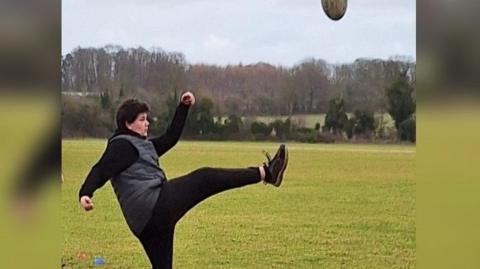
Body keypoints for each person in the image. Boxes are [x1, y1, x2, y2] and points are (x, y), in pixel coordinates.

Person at [78, 92, 288, 269]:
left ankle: (267, 174)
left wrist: (182, 107)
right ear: (128, 123)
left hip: (147, 225)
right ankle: (266, 173)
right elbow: (101, 169)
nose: (147, 123)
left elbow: (170, 138)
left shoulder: (141, 145)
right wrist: (85, 193)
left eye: (146, 118)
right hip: (153, 206)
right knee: (204, 178)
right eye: (142, 119)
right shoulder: (121, 146)